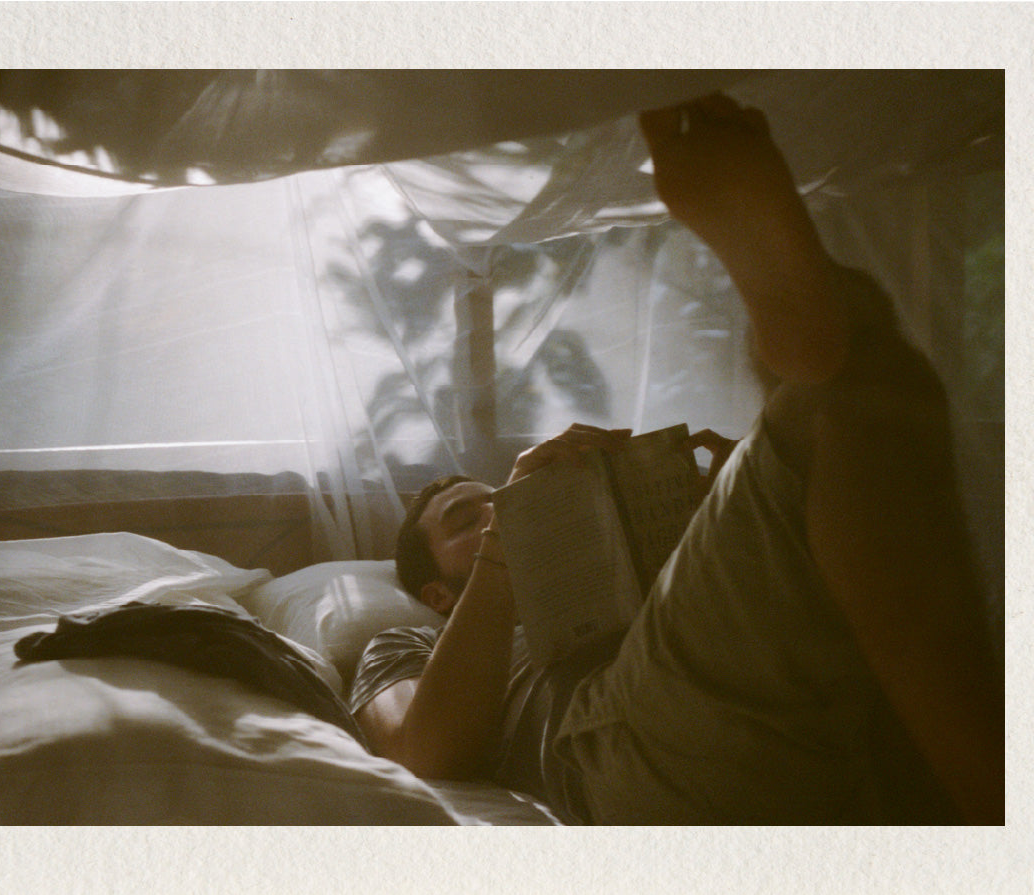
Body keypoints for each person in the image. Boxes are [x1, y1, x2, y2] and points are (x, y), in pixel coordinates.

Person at [349, 95, 1003, 824]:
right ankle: (800, 337)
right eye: (465, 519)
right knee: (836, 391)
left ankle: (800, 355)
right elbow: (424, 752)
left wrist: (728, 499)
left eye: (492, 499)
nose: (492, 508)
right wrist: (510, 545)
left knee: (867, 402)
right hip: (611, 742)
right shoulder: (402, 643)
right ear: (436, 593)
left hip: (759, 679)